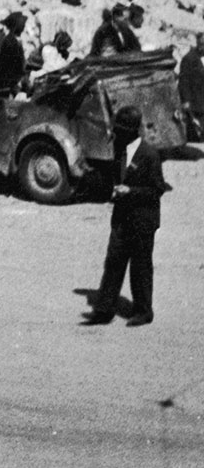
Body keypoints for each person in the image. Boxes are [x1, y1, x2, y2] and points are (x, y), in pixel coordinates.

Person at [83, 106, 170, 327]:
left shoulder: (149, 155)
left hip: (142, 220)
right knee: (113, 263)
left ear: (131, 131)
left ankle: (143, 311)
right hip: (122, 218)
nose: (115, 133)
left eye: (119, 129)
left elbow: (157, 190)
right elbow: (113, 177)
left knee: (140, 267)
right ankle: (104, 310)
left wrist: (130, 191)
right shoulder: (119, 150)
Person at [0, 11, 28, 93]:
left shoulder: (11, 39)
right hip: (9, 83)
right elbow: (13, 66)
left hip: (10, 81)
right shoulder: (10, 42)